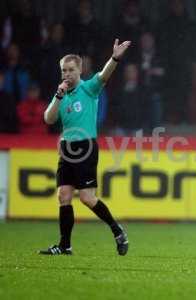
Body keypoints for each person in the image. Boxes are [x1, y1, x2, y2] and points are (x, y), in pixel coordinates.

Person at [39, 39, 131, 256]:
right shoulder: (61, 95)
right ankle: (65, 245)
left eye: (71, 70)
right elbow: (49, 119)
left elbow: (104, 76)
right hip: (67, 148)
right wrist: (58, 96)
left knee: (87, 198)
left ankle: (118, 231)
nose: (67, 74)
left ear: (79, 70)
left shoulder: (89, 89)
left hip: (85, 147)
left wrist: (115, 57)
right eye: (64, 70)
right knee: (64, 195)